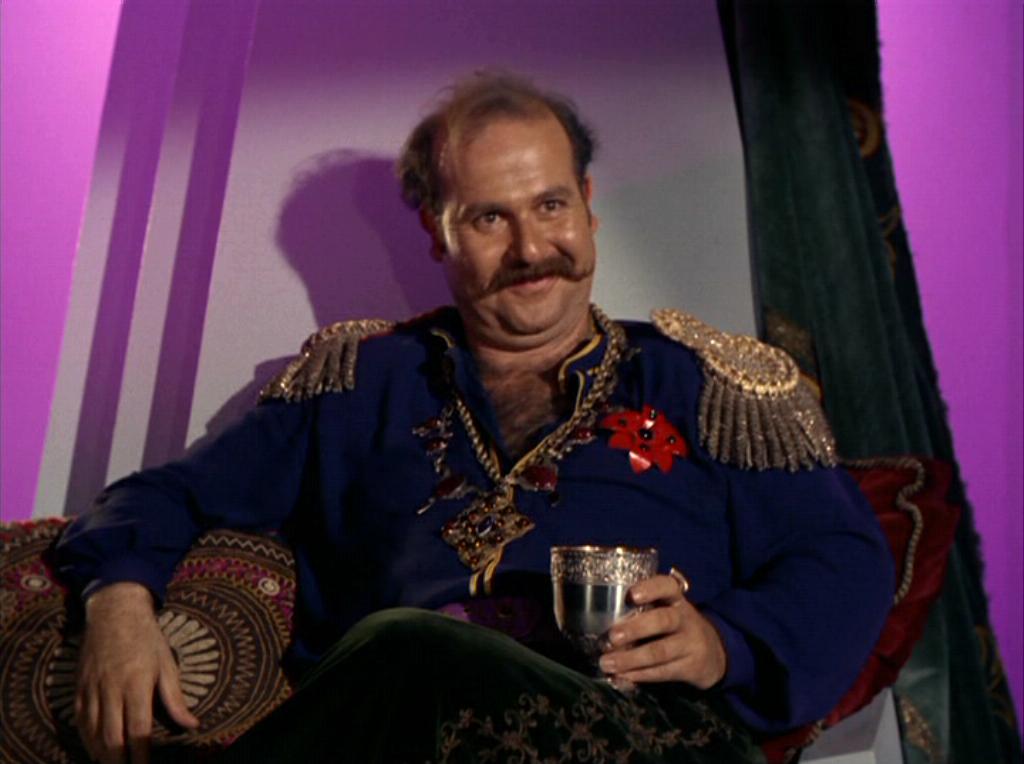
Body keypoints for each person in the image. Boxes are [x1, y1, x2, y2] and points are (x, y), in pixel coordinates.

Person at [55, 73, 894, 764]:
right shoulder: (358, 386)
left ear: (588, 204)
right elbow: (160, 496)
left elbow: (844, 559)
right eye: (491, 218)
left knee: (410, 647)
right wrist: (119, 606)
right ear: (438, 232)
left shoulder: (705, 382)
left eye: (551, 206)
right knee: (409, 653)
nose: (531, 249)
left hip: (645, 734)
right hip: (408, 738)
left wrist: (723, 645)